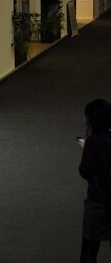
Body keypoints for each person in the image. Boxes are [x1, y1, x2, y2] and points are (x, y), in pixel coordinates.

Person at [78, 98, 111, 263]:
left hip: (98, 202)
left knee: (89, 249)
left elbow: (85, 171)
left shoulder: (93, 141)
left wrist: (88, 150)